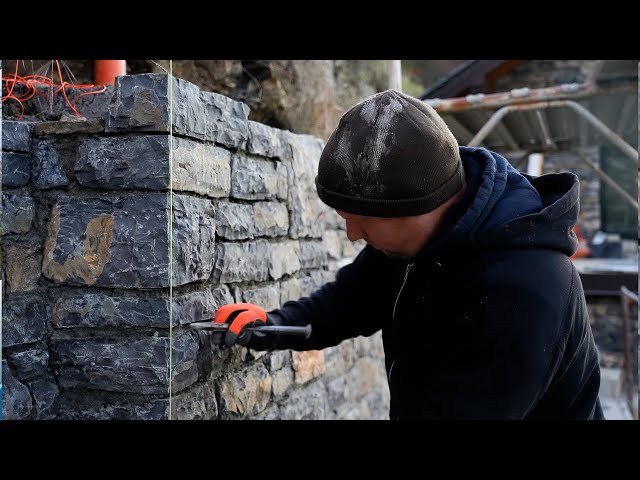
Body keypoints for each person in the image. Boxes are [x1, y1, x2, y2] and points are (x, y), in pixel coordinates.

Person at [213, 89, 604, 420]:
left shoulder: (522, 291)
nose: (352, 235)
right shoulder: (415, 242)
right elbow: (351, 301)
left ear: (421, 206)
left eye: (362, 220)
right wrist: (272, 324)